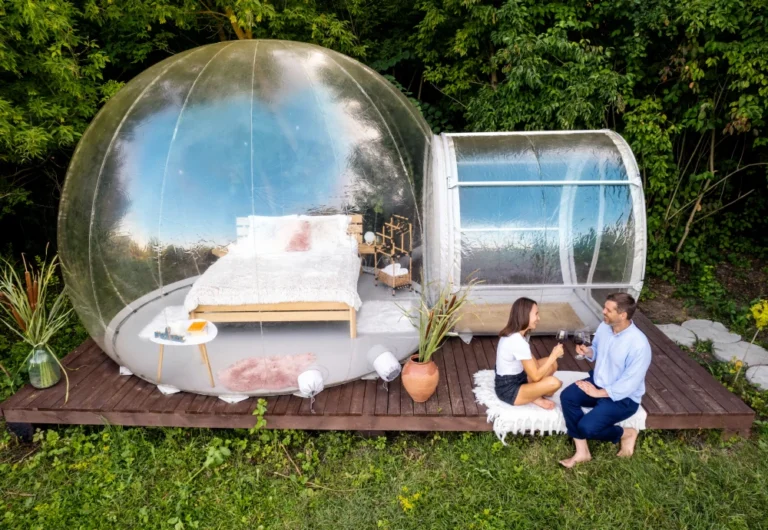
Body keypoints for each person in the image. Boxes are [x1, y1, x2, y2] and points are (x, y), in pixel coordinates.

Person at [559, 293, 652, 468]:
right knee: (568, 396)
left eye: (608, 310)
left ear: (622, 315)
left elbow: (629, 384)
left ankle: (626, 434)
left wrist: (598, 393)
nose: (603, 311)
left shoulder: (639, 345)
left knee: (588, 427)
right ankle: (582, 452)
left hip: (623, 398)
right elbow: (597, 350)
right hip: (599, 382)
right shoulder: (604, 326)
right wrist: (588, 352)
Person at [495, 297, 564, 410]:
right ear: (525, 315)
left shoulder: (517, 334)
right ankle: (534, 397)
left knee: (552, 364)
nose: (539, 318)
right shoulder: (516, 341)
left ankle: (532, 394)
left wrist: (550, 361)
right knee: (554, 383)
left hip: (519, 377)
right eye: (536, 314)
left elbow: (532, 362)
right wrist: (553, 355)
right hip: (509, 390)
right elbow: (536, 376)